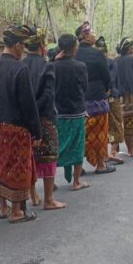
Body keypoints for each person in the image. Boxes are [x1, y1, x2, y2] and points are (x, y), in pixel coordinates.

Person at [0, 25, 42, 224]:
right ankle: (17, 211)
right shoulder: (19, 68)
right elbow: (28, 103)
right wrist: (36, 131)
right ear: (17, 45)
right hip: (17, 127)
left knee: (2, 163)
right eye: (23, 46)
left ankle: (3, 207)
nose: (24, 50)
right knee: (19, 166)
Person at [21, 28, 67, 210]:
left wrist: (28, 113)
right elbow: (48, 95)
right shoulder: (47, 65)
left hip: (25, 119)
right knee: (49, 157)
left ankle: (33, 195)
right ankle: (49, 199)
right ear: (41, 46)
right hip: (45, 118)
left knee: (31, 157)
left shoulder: (21, 64)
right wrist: (37, 112)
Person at [74, 22, 115, 174]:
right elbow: (106, 77)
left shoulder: (74, 54)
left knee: (80, 134)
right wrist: (106, 89)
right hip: (97, 96)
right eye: (92, 33)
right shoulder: (97, 54)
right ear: (85, 36)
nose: (94, 36)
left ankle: (78, 167)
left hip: (78, 99)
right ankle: (100, 165)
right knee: (99, 133)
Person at [52, 34, 90, 191]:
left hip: (58, 112)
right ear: (74, 48)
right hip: (76, 111)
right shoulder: (80, 66)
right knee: (77, 146)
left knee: (56, 147)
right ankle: (76, 181)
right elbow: (84, 88)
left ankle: (51, 182)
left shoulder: (52, 66)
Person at [100, 37, 125, 164]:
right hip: (111, 96)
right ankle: (113, 152)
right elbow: (113, 78)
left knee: (103, 125)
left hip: (97, 97)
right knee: (115, 122)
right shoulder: (111, 62)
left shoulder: (93, 62)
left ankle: (104, 153)